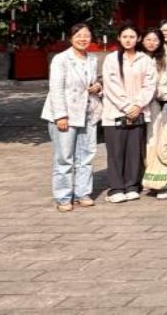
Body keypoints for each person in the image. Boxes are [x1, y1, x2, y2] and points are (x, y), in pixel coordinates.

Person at [42, 23, 103, 211]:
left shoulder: (92, 59)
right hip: (66, 115)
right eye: (79, 35)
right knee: (64, 158)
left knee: (86, 156)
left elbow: (95, 82)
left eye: (87, 35)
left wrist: (98, 87)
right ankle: (63, 197)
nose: (83, 39)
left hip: (88, 113)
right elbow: (56, 89)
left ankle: (83, 193)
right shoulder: (61, 59)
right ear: (71, 38)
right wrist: (61, 115)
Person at [101, 24, 156, 203]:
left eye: (132, 37)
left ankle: (132, 185)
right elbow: (111, 85)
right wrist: (126, 106)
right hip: (115, 112)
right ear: (119, 38)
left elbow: (150, 84)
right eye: (124, 36)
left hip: (138, 111)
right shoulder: (111, 59)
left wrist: (138, 104)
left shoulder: (145, 59)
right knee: (116, 151)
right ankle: (116, 188)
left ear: (138, 39)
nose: (128, 40)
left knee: (134, 151)